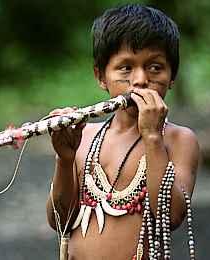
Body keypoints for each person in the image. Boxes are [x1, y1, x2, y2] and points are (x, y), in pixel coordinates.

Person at [46, 4, 200, 260]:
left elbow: (171, 216)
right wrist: (64, 159)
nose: (140, 80)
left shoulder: (179, 140)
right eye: (126, 68)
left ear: (172, 76)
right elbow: (58, 221)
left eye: (155, 68)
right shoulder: (84, 137)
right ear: (101, 77)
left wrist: (152, 138)